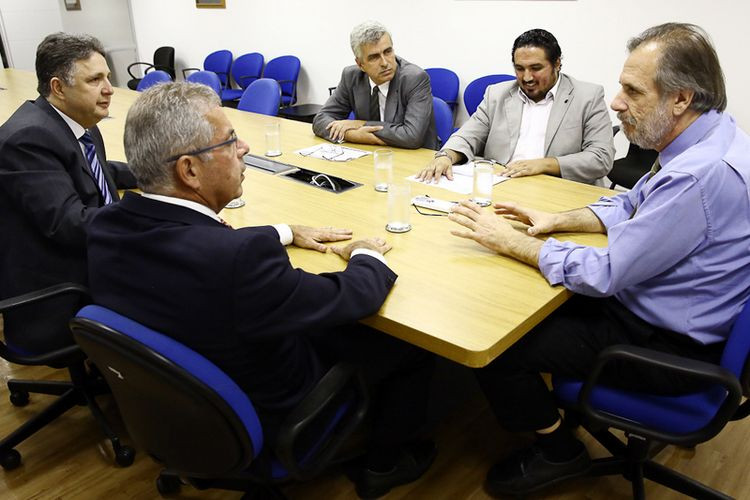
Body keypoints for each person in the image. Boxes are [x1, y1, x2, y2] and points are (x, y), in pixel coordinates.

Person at [86, 82, 436, 499]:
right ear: (189, 170)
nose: (244, 147)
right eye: (230, 141)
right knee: (412, 346)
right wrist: (367, 256)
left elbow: (189, 238)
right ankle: (385, 465)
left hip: (181, 404)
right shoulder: (239, 261)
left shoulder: (105, 226)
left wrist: (283, 231)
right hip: (271, 413)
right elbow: (348, 297)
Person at [448, 23, 750, 496]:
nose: (616, 102)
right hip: (681, 314)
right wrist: (558, 219)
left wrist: (513, 242)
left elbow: (606, 272)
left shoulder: (698, 176)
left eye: (632, 90)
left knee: (493, 339)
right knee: (530, 303)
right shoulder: (711, 137)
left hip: (667, 346)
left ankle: (557, 449)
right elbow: (630, 203)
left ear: (681, 98)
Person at [0, 32, 136, 353]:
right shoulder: (28, 138)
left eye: (108, 78)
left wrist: (157, 170)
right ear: (58, 88)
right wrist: (142, 215)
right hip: (59, 288)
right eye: (95, 80)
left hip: (83, 260)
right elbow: (71, 224)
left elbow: (96, 170)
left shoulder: (74, 122)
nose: (109, 90)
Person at [416, 29, 614, 186]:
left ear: (557, 64)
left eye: (536, 68)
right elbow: (468, 135)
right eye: (519, 69)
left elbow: (601, 158)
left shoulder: (587, 96)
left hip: (559, 186)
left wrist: (543, 164)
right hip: (503, 184)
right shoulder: (497, 94)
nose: (527, 77)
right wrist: (446, 156)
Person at [312, 20, 437, 150]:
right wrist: (353, 135)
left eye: (388, 51)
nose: (384, 62)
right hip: (372, 155)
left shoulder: (414, 78)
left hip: (417, 158)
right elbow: (320, 120)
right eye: (374, 57)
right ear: (360, 64)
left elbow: (412, 137)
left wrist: (361, 124)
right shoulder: (351, 76)